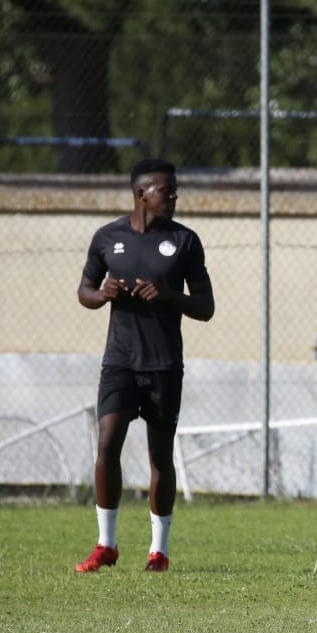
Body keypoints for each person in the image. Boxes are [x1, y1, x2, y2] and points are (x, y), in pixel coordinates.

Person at [75, 159, 215, 573]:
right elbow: (83, 290)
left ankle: (159, 551)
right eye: (165, 189)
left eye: (174, 189)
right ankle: (106, 544)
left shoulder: (185, 241)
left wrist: (168, 294)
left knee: (160, 457)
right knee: (107, 444)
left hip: (164, 366)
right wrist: (103, 294)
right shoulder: (107, 238)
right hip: (119, 361)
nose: (173, 196)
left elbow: (206, 307)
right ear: (141, 194)